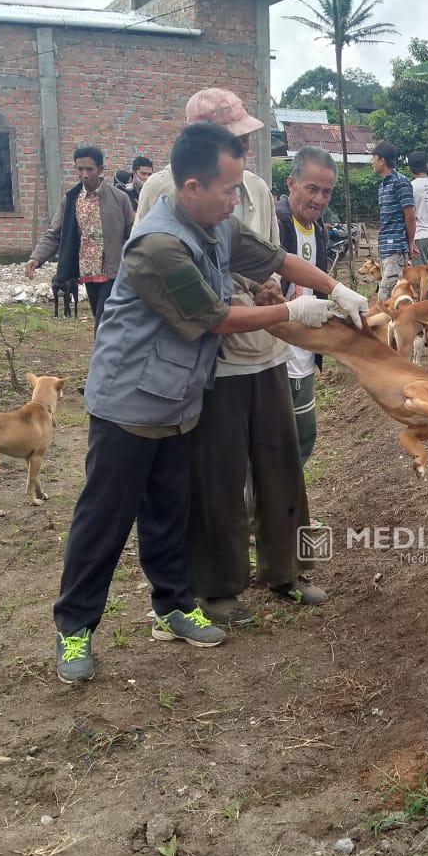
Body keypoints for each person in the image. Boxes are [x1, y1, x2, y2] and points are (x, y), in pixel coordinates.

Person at [51, 122, 370, 685]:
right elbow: (212, 318)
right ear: (191, 185)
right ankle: (74, 627)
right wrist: (292, 313)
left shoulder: (217, 224)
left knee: (171, 513)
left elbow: (273, 258)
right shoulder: (158, 245)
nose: (235, 199)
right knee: (105, 519)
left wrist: (333, 288)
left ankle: (173, 604)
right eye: (228, 190)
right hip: (129, 403)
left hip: (178, 399)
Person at [140, 88, 326, 620]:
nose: (244, 144)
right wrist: (271, 307)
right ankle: (219, 587)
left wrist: (272, 290)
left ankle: (289, 571)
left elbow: (264, 256)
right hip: (214, 356)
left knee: (282, 464)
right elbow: (163, 276)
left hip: (264, 349)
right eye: (235, 136)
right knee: (218, 476)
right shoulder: (161, 191)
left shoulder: (257, 189)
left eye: (245, 137)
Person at [26, 145, 134, 328]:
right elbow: (54, 233)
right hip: (88, 271)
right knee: (100, 317)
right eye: (80, 169)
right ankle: (111, 352)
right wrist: (36, 257)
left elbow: (132, 231)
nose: (84, 174)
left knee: (104, 319)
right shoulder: (71, 199)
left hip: (114, 271)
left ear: (100, 170)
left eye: (89, 169)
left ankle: (101, 355)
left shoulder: (119, 198)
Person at [277, 146, 336, 468]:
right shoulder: (275, 223)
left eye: (326, 192)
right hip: (272, 356)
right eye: (312, 189)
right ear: (291, 184)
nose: (319, 199)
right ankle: (259, 516)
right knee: (271, 445)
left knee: (303, 437)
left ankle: (288, 513)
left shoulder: (319, 230)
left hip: (302, 353)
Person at [370, 141, 417, 299]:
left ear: (382, 160)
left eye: (374, 158)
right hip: (385, 248)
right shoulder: (382, 187)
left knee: (385, 298)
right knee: (390, 298)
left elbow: (409, 215)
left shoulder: (401, 182)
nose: (372, 162)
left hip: (395, 248)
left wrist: (410, 243)